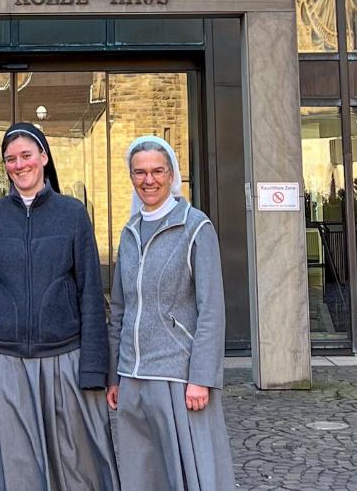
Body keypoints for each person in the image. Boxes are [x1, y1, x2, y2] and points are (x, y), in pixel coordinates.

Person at [0, 122, 118, 491]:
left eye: (26, 155)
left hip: (65, 358)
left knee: (76, 466)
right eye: (10, 159)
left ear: (44, 157)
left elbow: (90, 293)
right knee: (15, 470)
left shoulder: (72, 214)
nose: (19, 164)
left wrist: (95, 366)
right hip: (3, 361)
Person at [106, 136, 235, 491]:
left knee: (189, 474)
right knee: (142, 474)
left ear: (172, 174)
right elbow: (119, 308)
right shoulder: (129, 232)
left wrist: (202, 378)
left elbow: (212, 310)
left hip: (179, 377)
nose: (149, 180)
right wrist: (114, 375)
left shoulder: (196, 228)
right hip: (133, 374)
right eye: (140, 172)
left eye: (157, 171)